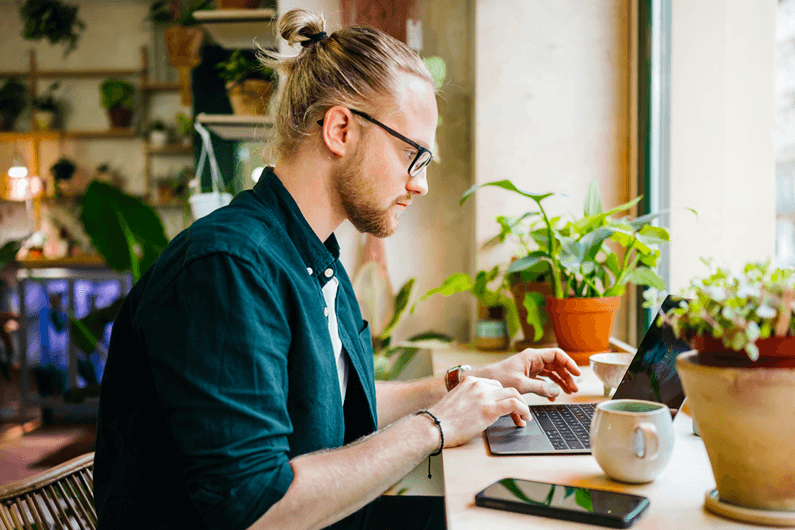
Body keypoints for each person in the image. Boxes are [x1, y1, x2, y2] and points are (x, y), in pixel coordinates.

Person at [93, 8, 581, 530]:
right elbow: (257, 508)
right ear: (341, 129)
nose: (420, 183)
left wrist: (465, 383)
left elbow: (330, 397)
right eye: (413, 155)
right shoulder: (226, 269)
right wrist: (435, 425)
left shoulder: (312, 254)